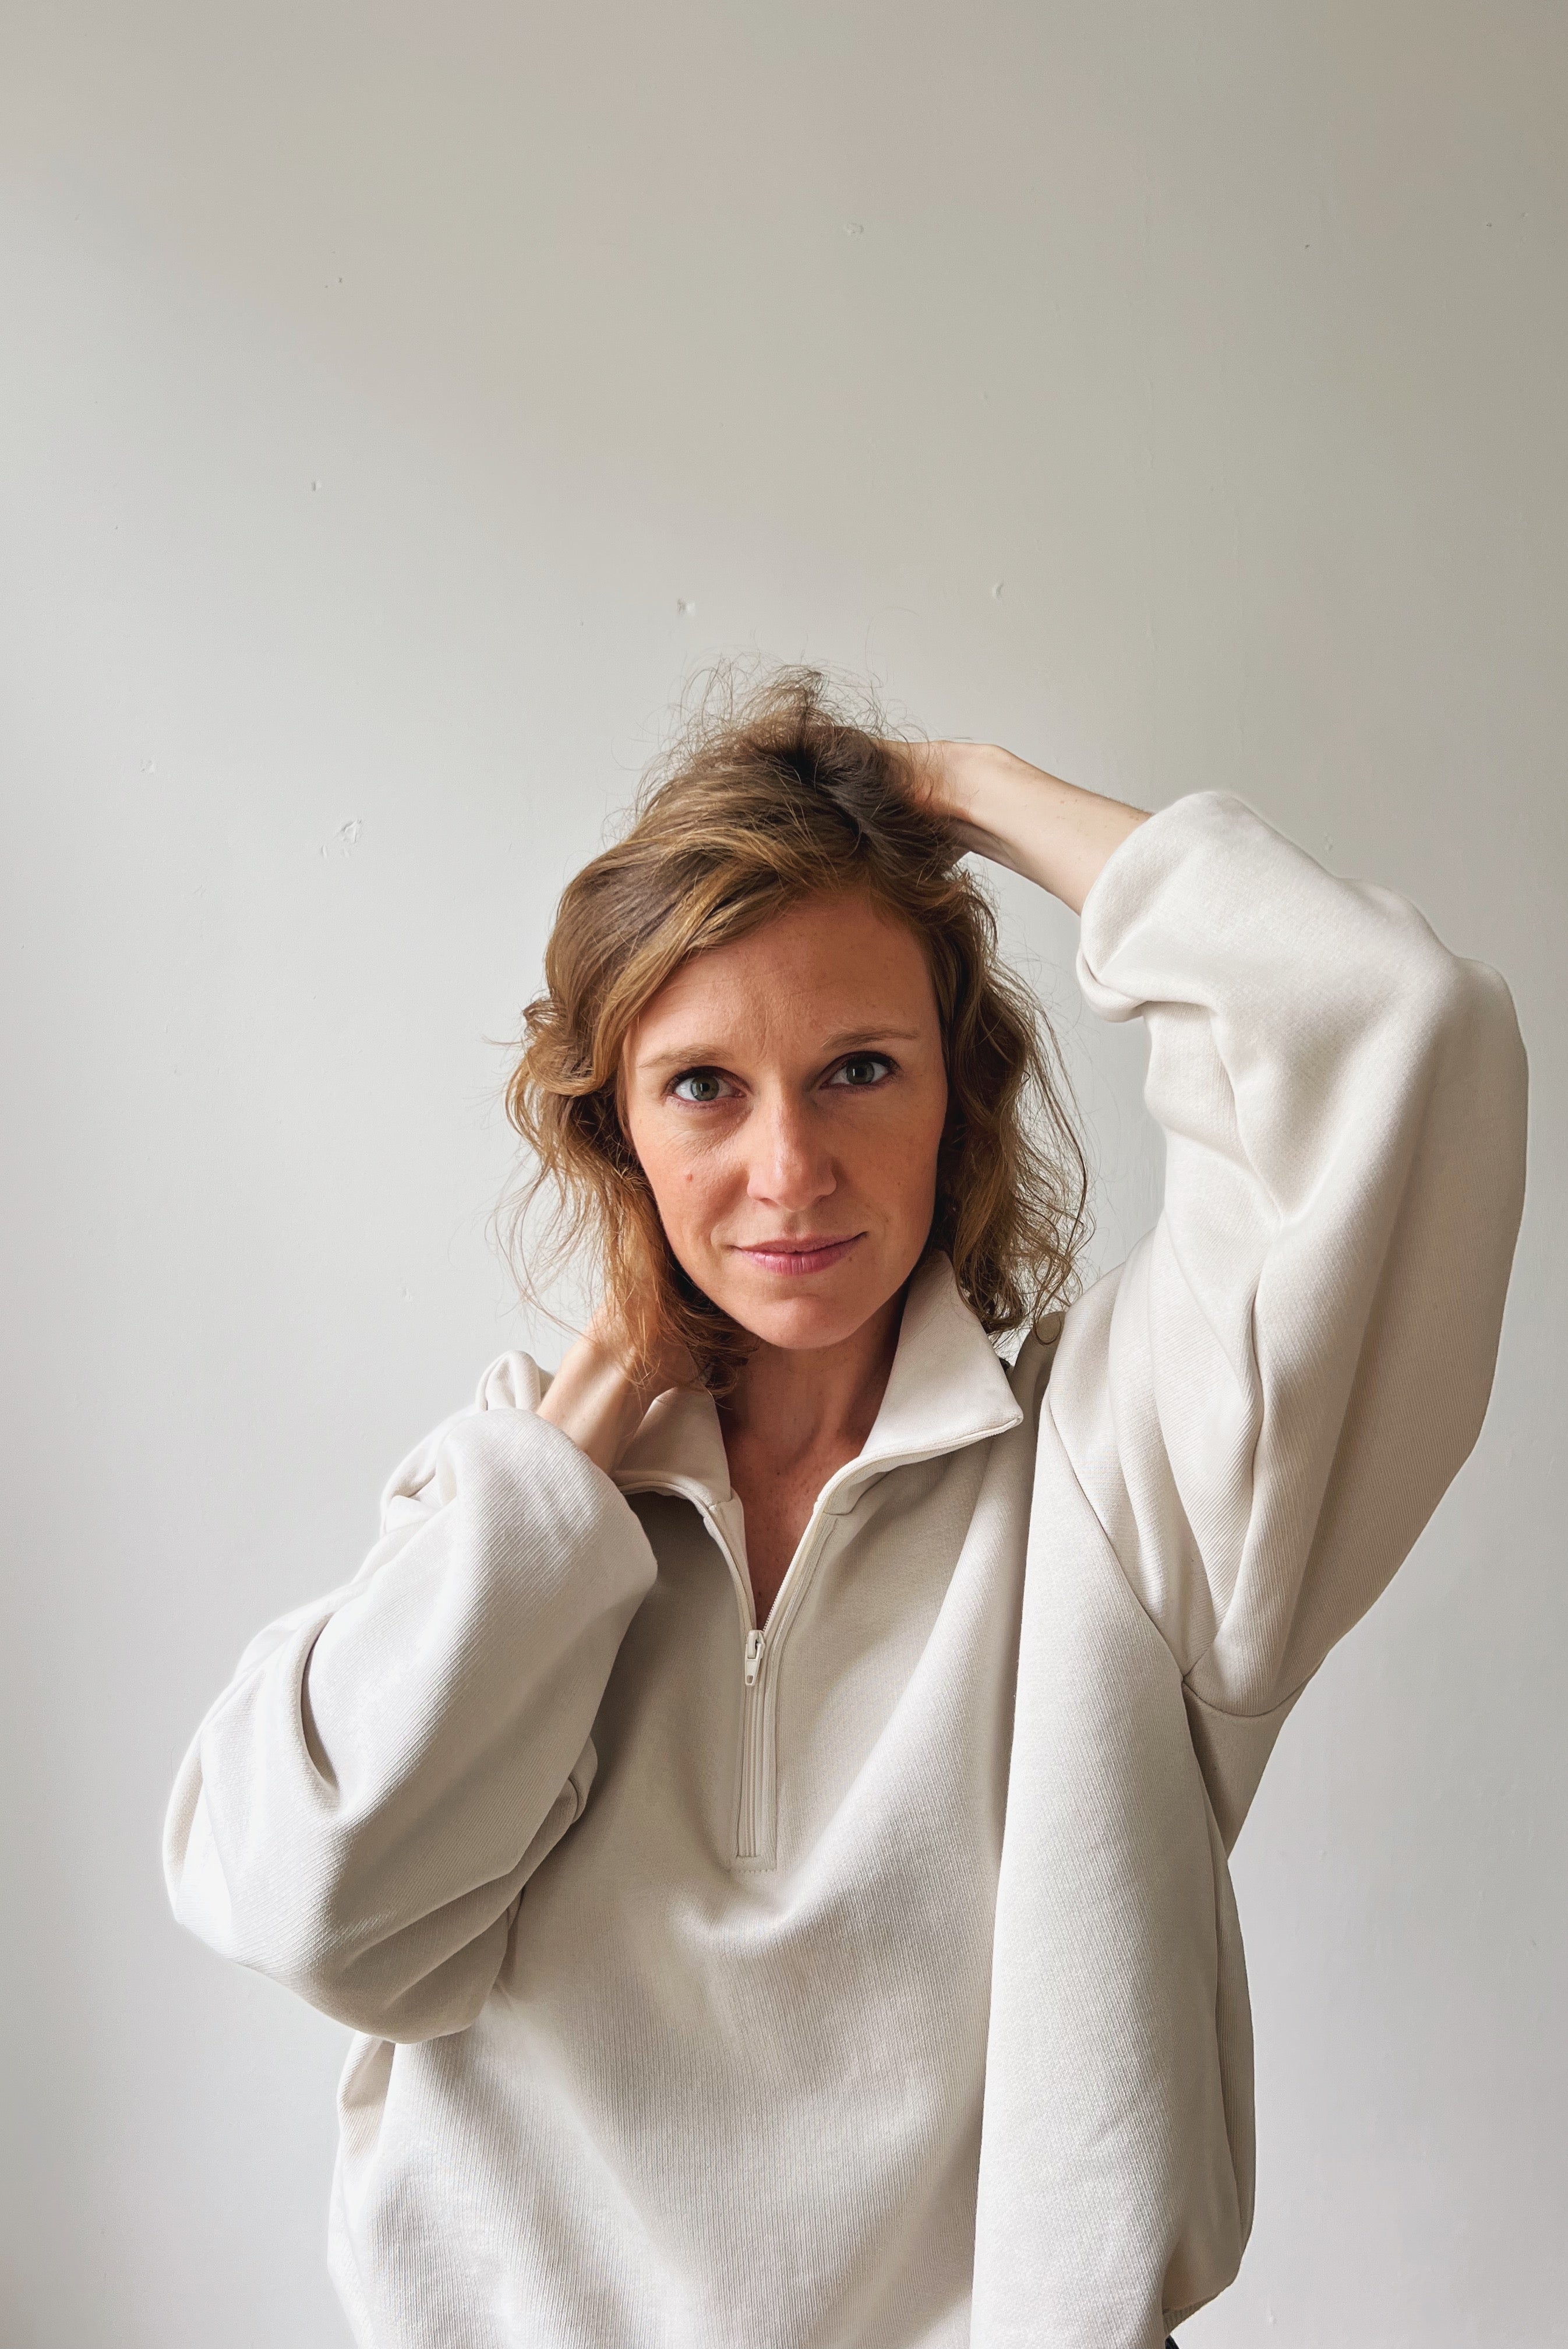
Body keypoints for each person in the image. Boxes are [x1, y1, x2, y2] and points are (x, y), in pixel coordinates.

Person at [164, 670, 1527, 2349]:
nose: (790, 1167)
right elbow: (308, 1903)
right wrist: (592, 1403)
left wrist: (958, 793)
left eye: (859, 1068)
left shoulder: (1119, 1474)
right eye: (702, 1090)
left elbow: (1394, 1027)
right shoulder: (515, 1502)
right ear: (613, 1132)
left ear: (958, 1093)